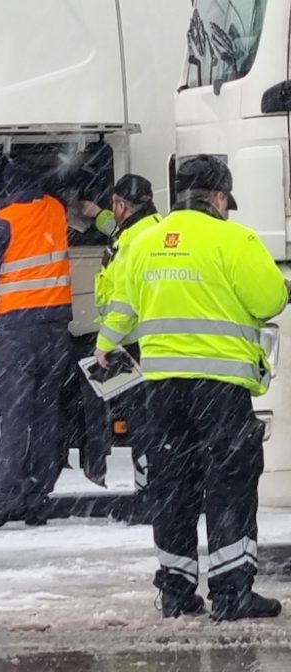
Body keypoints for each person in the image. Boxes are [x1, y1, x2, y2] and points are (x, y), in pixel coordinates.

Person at [95, 155, 287, 621]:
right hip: (219, 387)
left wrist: (105, 345)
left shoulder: (143, 242)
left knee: (172, 485)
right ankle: (231, 593)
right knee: (229, 482)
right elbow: (270, 300)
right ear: (219, 197)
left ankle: (177, 592)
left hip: (161, 388)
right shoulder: (234, 239)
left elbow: (121, 305)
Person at [0, 157, 73, 531]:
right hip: (57, 332)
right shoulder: (56, 211)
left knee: (15, 416)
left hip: (18, 334)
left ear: (7, 190)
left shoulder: (0, 226)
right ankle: (38, 498)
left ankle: (7, 494)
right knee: (46, 416)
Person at [81, 174, 163, 521]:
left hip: (134, 346)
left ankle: (148, 500)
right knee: (159, 424)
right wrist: (95, 214)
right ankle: (158, 492)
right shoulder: (153, 226)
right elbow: (116, 230)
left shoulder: (131, 244)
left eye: (113, 206)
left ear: (122, 205)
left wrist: (104, 344)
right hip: (153, 342)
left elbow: (123, 305)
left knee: (144, 427)